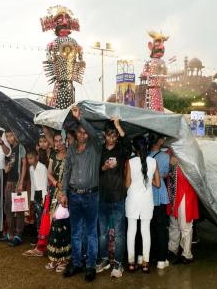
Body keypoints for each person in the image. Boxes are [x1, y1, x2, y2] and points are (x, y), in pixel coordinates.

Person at [62, 106, 103, 282]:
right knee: (76, 232)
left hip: (91, 196)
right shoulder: (71, 150)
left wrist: (80, 119)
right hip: (74, 196)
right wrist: (63, 193)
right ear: (76, 134)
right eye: (80, 132)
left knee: (91, 233)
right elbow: (66, 172)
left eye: (85, 132)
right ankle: (77, 263)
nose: (82, 135)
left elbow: (95, 134)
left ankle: (91, 266)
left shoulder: (95, 147)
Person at [96, 118, 131, 278]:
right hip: (102, 196)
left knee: (119, 233)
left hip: (118, 196)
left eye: (115, 135)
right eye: (110, 135)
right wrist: (104, 167)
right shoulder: (99, 150)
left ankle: (118, 263)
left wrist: (118, 125)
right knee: (102, 233)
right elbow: (94, 170)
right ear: (105, 135)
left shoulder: (121, 150)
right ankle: (104, 260)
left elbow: (129, 145)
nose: (112, 138)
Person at [125, 136, 160, 273]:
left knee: (131, 231)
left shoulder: (130, 162)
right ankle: (145, 264)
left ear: (134, 148)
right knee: (145, 231)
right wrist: (148, 179)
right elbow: (157, 184)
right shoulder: (153, 161)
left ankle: (131, 263)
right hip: (147, 201)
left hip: (133, 200)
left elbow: (127, 184)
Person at [167, 149, 199, 264]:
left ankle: (186, 254)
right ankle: (172, 249)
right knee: (174, 225)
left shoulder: (190, 154)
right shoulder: (170, 151)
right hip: (174, 194)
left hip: (185, 193)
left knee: (185, 225)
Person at [45, 130, 71, 273]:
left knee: (64, 226)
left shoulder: (71, 155)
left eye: (60, 140)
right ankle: (55, 258)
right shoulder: (54, 155)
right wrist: (55, 183)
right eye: (55, 141)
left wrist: (64, 190)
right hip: (55, 193)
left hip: (67, 195)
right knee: (54, 225)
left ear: (66, 141)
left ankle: (65, 259)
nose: (58, 143)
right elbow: (49, 173)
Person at [148, 133, 170, 270]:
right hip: (160, 194)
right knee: (161, 228)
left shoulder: (146, 155)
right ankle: (161, 260)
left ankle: (151, 256)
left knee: (150, 228)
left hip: (148, 196)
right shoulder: (166, 157)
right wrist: (161, 174)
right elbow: (167, 174)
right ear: (160, 141)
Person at [3, 129, 27, 246]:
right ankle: (10, 233)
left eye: (11, 136)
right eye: (7, 136)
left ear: (15, 135)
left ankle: (19, 234)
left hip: (18, 182)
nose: (9, 139)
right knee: (8, 208)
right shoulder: (11, 149)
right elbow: (9, 165)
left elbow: (24, 165)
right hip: (9, 181)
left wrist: (21, 182)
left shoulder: (21, 147)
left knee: (19, 209)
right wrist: (8, 166)